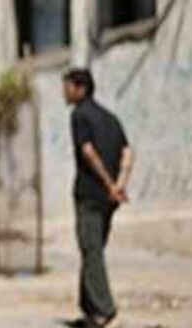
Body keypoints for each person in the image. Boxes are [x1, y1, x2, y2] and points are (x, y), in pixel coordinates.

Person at [63, 68, 132, 328]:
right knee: (92, 249)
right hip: (109, 199)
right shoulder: (111, 118)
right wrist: (119, 186)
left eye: (68, 86)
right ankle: (90, 310)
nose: (65, 92)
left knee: (91, 251)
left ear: (80, 88)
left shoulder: (79, 115)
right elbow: (127, 153)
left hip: (90, 195)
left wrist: (108, 184)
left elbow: (88, 152)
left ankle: (105, 309)